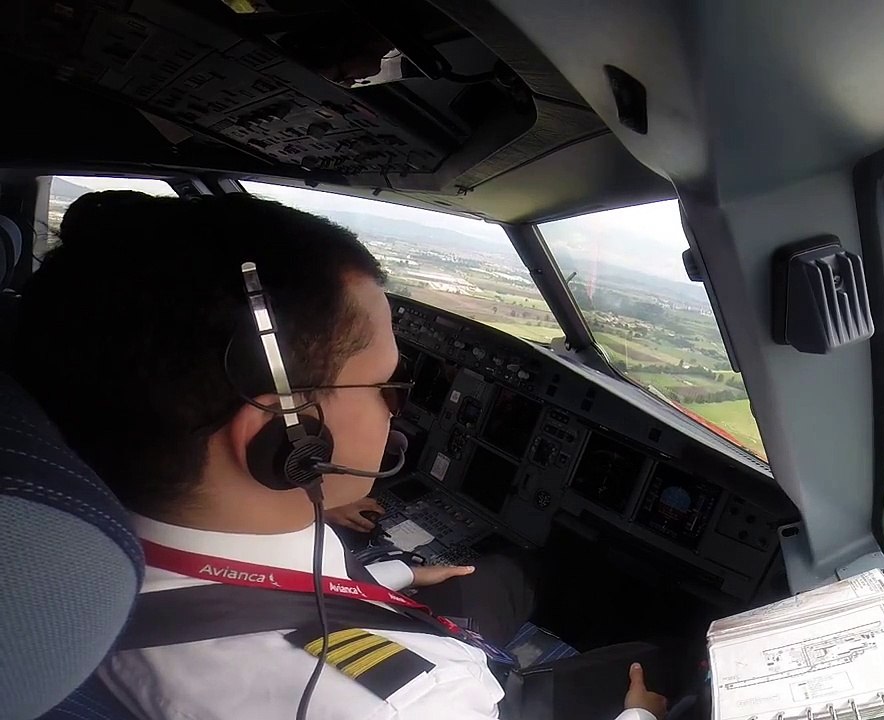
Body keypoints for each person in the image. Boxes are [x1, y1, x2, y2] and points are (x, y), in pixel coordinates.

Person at [13, 191, 669, 720]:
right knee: (656, 664)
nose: (400, 407)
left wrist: (391, 582)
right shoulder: (418, 703)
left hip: (353, 602)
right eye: (386, 384)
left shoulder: (61, 550)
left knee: (498, 575)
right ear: (288, 435)